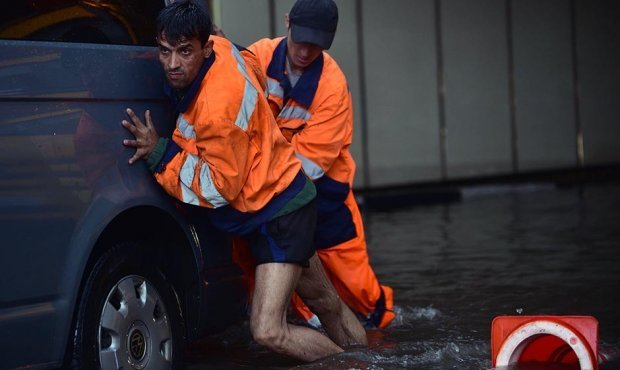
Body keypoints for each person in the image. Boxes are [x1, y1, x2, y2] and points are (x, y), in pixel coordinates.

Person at [121, 0, 366, 362]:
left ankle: (355, 367)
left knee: (268, 330)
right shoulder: (222, 47)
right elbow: (249, 64)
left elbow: (219, 188)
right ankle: (375, 361)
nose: (173, 64)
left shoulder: (218, 107)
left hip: (278, 212)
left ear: (205, 48)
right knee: (327, 303)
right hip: (285, 195)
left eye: (184, 52)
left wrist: (160, 153)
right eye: (165, 51)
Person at [235, 0, 395, 329]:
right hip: (263, 189)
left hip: (323, 193)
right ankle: (302, 324)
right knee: (266, 274)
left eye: (316, 44)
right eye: (301, 40)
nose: (306, 52)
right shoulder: (258, 57)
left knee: (355, 283)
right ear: (287, 23)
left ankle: (380, 323)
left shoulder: (332, 86)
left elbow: (308, 164)